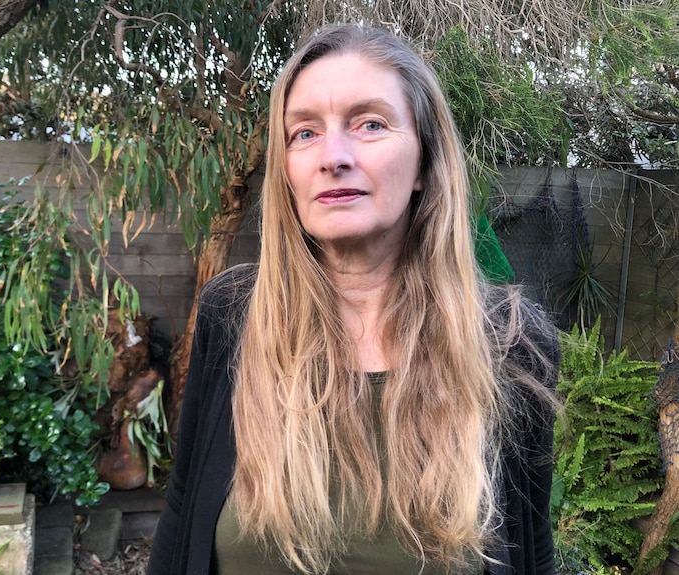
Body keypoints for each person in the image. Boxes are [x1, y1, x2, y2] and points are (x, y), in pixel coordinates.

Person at [148, 24, 559, 575]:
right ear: (288, 171)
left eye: (370, 124)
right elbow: (182, 511)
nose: (332, 156)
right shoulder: (233, 316)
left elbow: (531, 548)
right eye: (304, 133)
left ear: (424, 162)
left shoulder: (511, 342)